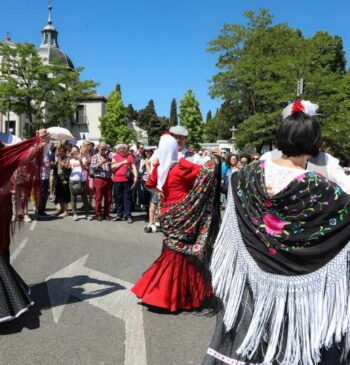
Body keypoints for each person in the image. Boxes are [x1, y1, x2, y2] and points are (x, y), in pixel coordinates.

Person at [203, 101, 350, 365]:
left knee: (249, 342)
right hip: (299, 295)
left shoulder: (245, 176)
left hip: (251, 281)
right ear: (314, 142)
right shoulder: (320, 188)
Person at [132, 133, 221, 312]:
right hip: (184, 214)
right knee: (184, 254)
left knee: (173, 252)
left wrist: (161, 193)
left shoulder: (158, 167)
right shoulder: (182, 166)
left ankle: (166, 292)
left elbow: (149, 185)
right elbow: (207, 173)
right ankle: (174, 294)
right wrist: (213, 158)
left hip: (165, 213)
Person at [0, 129, 49, 322]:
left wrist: (40, 142)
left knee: (1, 251)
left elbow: (25, 157)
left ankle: (9, 300)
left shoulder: (5, 153)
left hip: (1, 207)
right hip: (3, 206)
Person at [111, 143, 138, 223]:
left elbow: (133, 167)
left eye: (123, 148)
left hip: (126, 180)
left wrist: (136, 176)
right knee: (118, 198)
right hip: (117, 180)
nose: (121, 150)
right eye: (120, 149)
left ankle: (128, 215)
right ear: (118, 150)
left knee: (127, 198)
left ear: (126, 149)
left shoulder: (130, 157)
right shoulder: (115, 156)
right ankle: (119, 214)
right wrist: (123, 162)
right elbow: (112, 166)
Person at [90, 142, 113, 221]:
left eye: (105, 149)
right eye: (102, 149)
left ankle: (106, 214)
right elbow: (93, 167)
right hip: (99, 179)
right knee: (98, 198)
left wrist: (110, 165)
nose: (103, 150)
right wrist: (101, 163)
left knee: (109, 198)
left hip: (108, 179)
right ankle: (98, 214)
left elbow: (112, 169)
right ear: (98, 148)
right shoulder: (95, 156)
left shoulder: (108, 156)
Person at [68, 146, 92, 221]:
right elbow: (67, 167)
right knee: (73, 198)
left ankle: (87, 214)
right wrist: (68, 158)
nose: (75, 153)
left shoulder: (83, 158)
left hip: (82, 180)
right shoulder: (71, 160)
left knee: (84, 198)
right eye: (73, 151)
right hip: (73, 180)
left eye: (76, 151)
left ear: (78, 152)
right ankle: (75, 214)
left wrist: (80, 160)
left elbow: (83, 168)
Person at [53, 145, 71, 217]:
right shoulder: (58, 159)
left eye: (62, 151)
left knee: (65, 195)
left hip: (64, 179)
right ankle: (61, 210)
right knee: (59, 195)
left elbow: (64, 166)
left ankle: (66, 211)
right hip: (58, 179)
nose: (61, 152)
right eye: (59, 151)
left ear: (65, 152)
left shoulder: (67, 158)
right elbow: (56, 168)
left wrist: (58, 158)